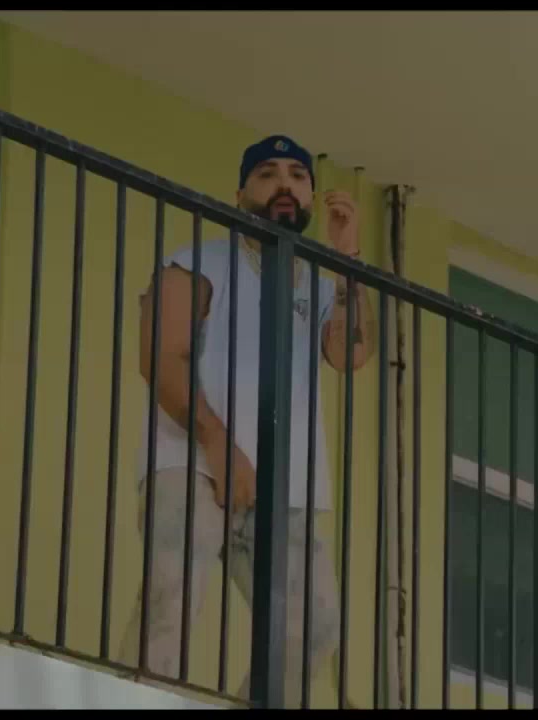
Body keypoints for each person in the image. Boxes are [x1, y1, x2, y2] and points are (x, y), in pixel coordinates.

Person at [119, 134, 378, 704]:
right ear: (240, 193)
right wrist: (216, 441)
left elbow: (351, 353)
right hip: (190, 464)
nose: (284, 185)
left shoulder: (320, 282)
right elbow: (160, 358)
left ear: (310, 196)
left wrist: (348, 262)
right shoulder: (196, 262)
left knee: (315, 628)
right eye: (267, 174)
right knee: (171, 597)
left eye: (298, 176)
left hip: (284, 490)